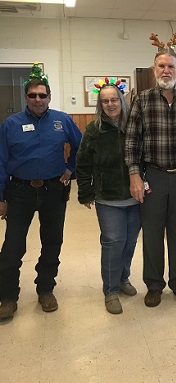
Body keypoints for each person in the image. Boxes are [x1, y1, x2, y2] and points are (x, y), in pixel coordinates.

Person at [125, 32, 176, 307]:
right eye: (161, 66)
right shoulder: (143, 101)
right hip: (153, 177)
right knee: (152, 233)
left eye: (171, 66)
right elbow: (132, 140)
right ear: (154, 70)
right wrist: (134, 174)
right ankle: (154, 285)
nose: (166, 70)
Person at [0, 63, 82, 321]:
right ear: (26, 97)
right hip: (19, 192)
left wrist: (71, 169)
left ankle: (45, 289)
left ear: (49, 97)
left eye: (42, 95)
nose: (38, 99)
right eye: (33, 95)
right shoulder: (10, 124)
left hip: (53, 191)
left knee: (52, 242)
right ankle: (8, 297)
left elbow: (82, 148)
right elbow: (1, 161)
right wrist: (1, 197)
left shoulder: (63, 120)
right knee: (13, 246)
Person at [76, 78, 141, 315]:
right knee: (113, 243)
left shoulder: (134, 125)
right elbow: (82, 164)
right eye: (105, 101)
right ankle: (111, 290)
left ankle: (124, 278)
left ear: (122, 100)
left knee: (130, 242)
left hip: (136, 198)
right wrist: (86, 192)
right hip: (108, 198)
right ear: (100, 105)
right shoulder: (94, 130)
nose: (110, 104)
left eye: (114, 99)